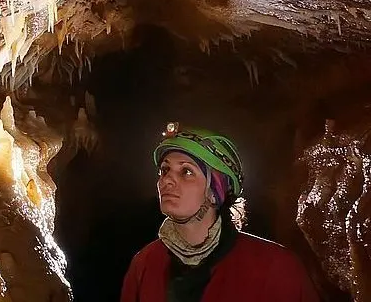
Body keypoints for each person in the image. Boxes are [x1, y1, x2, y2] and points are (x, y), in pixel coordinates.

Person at [121, 122, 319, 302]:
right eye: (164, 170)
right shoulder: (145, 264)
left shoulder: (276, 268)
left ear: (215, 191)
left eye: (186, 172)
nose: (166, 181)